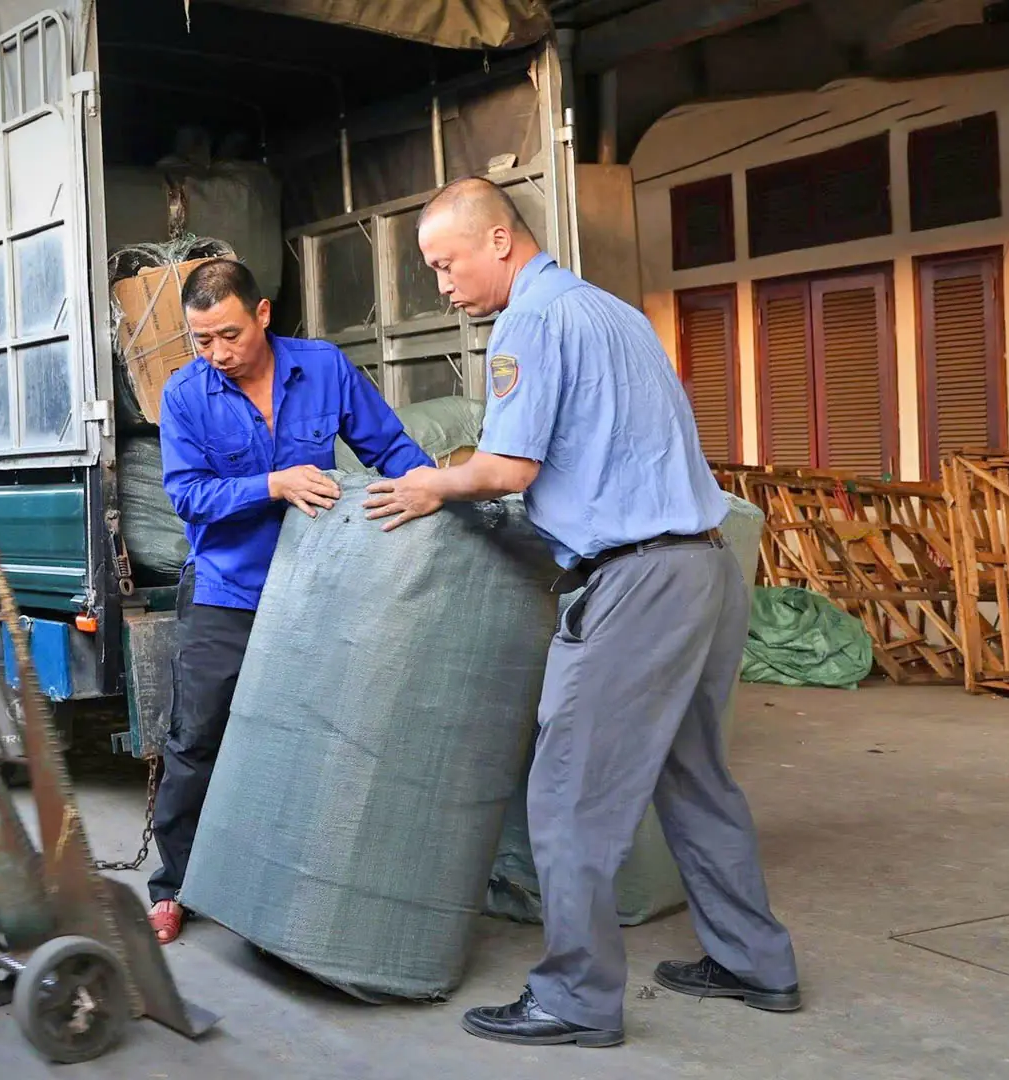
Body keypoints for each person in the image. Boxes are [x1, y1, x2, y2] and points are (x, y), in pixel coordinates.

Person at [363, 178, 799, 1047]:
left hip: (635, 582)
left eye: (446, 266)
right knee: (695, 775)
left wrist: (428, 485)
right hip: (704, 568)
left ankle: (576, 998)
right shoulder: (614, 314)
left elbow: (507, 468)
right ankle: (757, 963)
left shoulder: (530, 321)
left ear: (497, 241)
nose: (443, 288)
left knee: (565, 793)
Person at [148, 259, 434, 944]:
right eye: (201, 341)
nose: (216, 353)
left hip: (316, 590)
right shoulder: (186, 396)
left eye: (228, 334)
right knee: (197, 738)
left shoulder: (324, 368)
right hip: (227, 590)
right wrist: (271, 485)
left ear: (264, 313)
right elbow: (187, 495)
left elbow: (388, 446)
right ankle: (175, 886)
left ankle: (287, 879)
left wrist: (438, 493)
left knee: (311, 735)